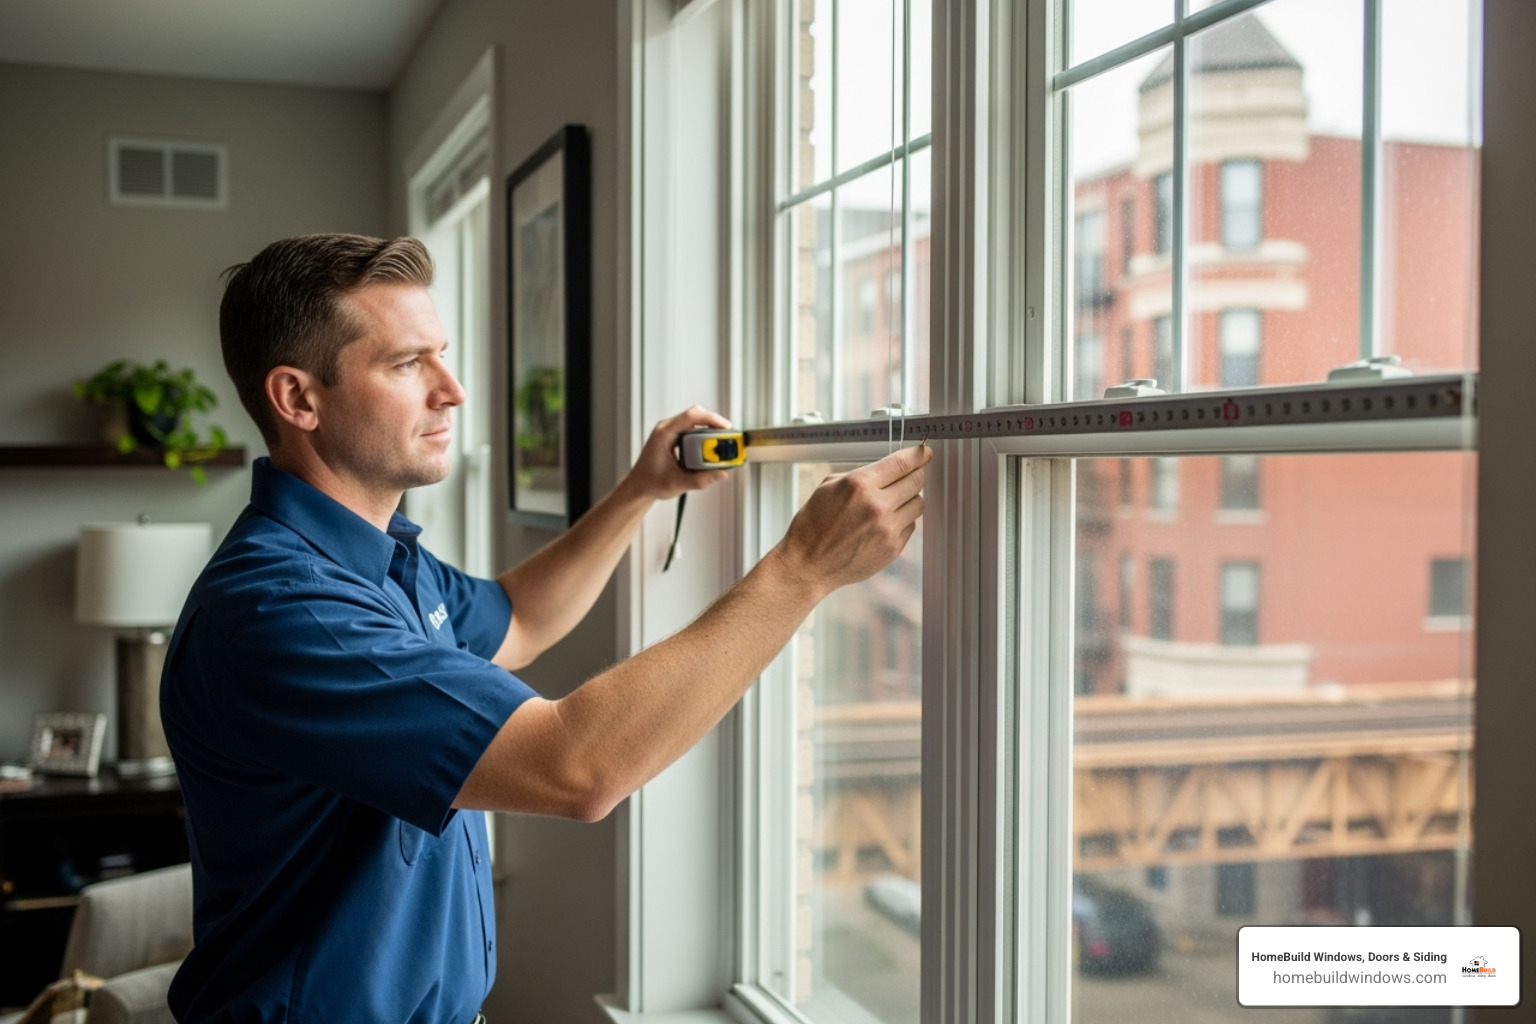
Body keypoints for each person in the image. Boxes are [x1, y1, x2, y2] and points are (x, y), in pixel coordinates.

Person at [160, 233, 930, 1023]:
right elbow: (578, 767)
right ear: (298, 399)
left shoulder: (381, 562)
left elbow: (518, 618)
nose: (452, 390)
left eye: (442, 355)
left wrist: (641, 490)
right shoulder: (285, 613)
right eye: (406, 364)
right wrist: (801, 569)